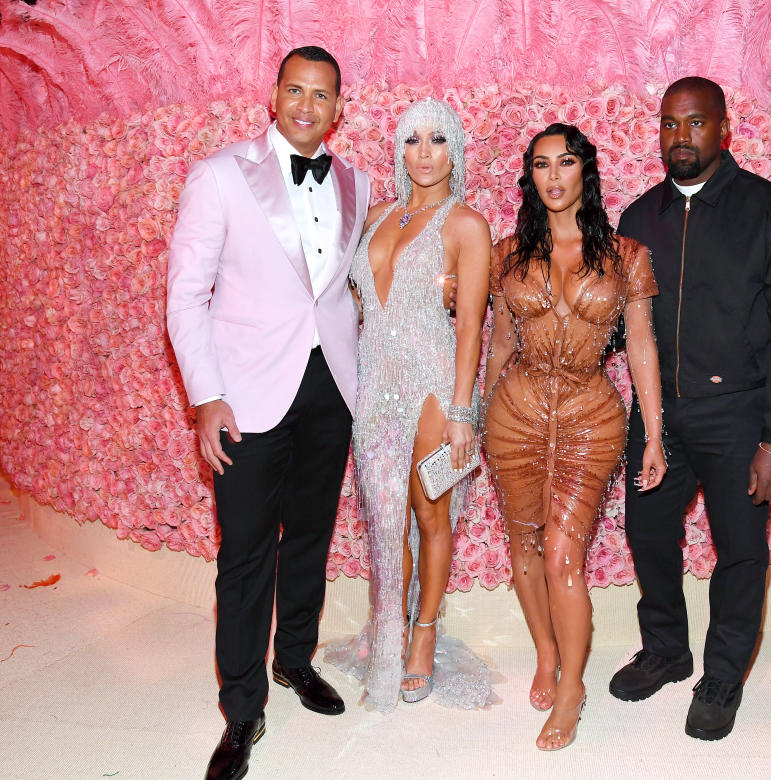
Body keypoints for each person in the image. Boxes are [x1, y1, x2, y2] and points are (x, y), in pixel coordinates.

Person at [166, 47, 370, 780]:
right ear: (274, 96)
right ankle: (243, 709)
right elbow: (186, 295)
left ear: (339, 107)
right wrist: (206, 396)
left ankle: (295, 661)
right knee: (246, 552)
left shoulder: (358, 181)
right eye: (296, 90)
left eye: (323, 95)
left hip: (331, 390)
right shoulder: (220, 175)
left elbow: (349, 287)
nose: (308, 105)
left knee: (310, 535)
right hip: (245, 396)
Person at [610, 77, 771, 741]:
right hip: (656, 414)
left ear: (723, 128)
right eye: (670, 124)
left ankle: (723, 673)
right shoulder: (637, 219)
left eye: (696, 123)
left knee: (740, 549)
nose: (682, 136)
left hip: (741, 416)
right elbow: (618, 323)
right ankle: (668, 650)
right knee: (648, 533)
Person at [483, 123, 666, 750]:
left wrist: (655, 433)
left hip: (592, 416)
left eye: (565, 162)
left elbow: (640, 344)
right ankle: (544, 653)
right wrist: (473, 412)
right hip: (515, 413)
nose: (554, 175)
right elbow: (502, 343)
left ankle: (572, 689)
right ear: (530, 176)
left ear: (585, 170)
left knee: (565, 552)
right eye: (541, 164)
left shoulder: (626, 256)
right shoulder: (508, 255)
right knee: (525, 542)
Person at [324, 98, 494, 712]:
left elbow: (472, 325)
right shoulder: (372, 218)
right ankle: (387, 626)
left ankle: (422, 637)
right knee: (382, 514)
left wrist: (460, 412)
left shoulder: (467, 225)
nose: (424, 153)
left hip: (434, 384)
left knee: (429, 514)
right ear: (398, 149)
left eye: (438, 140)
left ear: (456, 150)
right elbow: (337, 300)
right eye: (413, 140)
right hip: (374, 384)